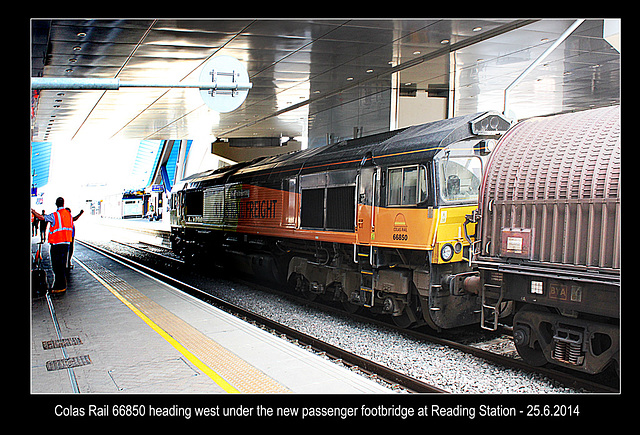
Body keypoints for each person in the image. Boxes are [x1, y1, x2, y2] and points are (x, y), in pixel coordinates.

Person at [31, 197, 74, 294]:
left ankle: (60, 286)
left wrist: (33, 211)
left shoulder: (55, 215)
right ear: (63, 203)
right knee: (62, 266)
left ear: (56, 204)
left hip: (57, 244)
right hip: (66, 243)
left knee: (56, 266)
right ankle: (61, 285)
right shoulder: (69, 215)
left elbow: (42, 218)